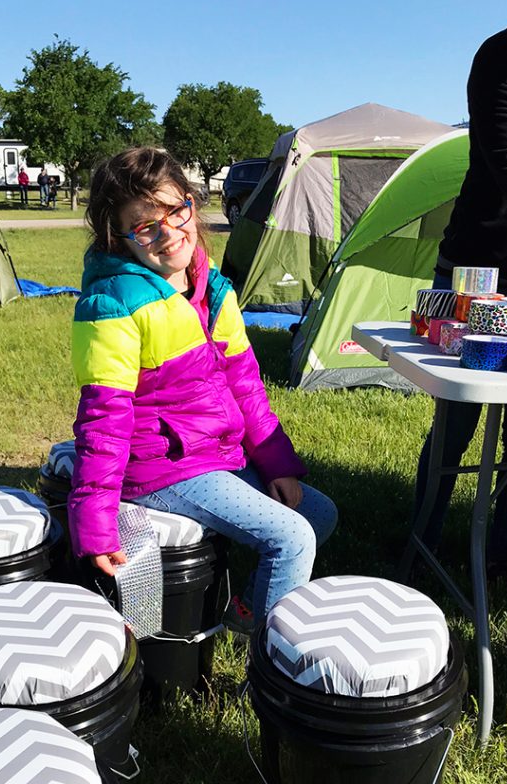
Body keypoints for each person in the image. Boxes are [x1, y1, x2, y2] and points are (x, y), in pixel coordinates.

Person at [68, 147, 337, 632]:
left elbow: (246, 385)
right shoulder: (111, 304)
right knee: (292, 537)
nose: (168, 233)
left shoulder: (212, 288)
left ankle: (246, 611)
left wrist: (275, 463)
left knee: (318, 513)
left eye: (176, 211)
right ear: (119, 236)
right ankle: (270, 674)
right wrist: (95, 520)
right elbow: (103, 420)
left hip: (217, 455)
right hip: (161, 468)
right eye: (145, 226)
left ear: (192, 204)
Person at [414, 5, 507, 582]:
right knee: (457, 421)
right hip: (479, 269)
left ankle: (501, 555)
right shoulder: (502, 58)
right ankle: (421, 544)